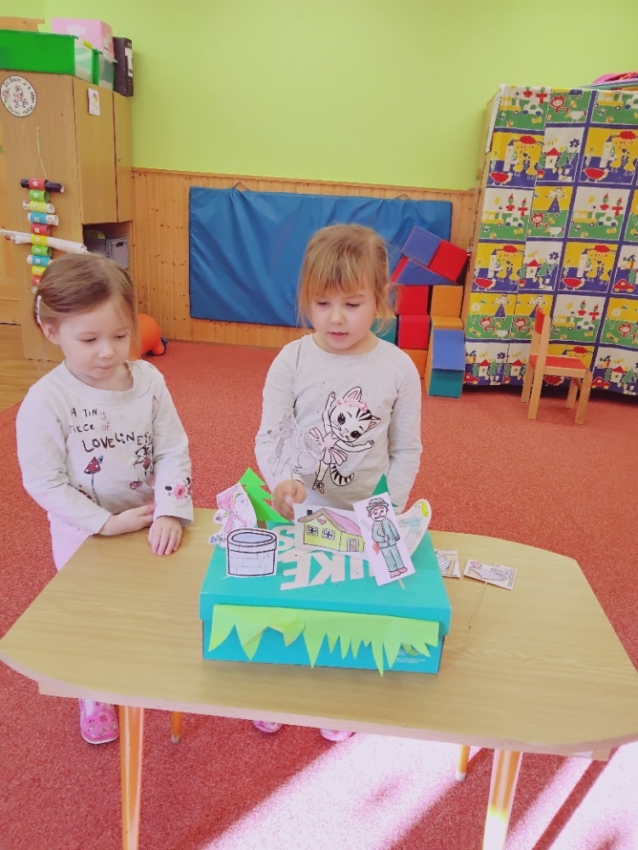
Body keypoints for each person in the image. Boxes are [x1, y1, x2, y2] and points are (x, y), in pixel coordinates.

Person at [16, 253, 194, 745]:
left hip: (148, 519)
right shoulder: (46, 401)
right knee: (92, 618)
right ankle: (92, 691)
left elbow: (173, 449)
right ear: (51, 330)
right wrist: (102, 523)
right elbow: (44, 482)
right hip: (84, 532)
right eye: (89, 340)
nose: (107, 352)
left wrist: (172, 510)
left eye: (119, 335)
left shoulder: (150, 381)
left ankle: (142, 663)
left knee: (146, 602)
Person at [254, 223, 423, 741]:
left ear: (380, 297)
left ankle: (336, 697)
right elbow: (270, 435)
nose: (335, 318)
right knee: (292, 600)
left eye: (352, 303)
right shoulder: (292, 359)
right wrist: (282, 481)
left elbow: (406, 449)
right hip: (299, 511)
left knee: (350, 606)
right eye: (322, 302)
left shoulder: (398, 368)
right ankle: (277, 688)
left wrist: (386, 508)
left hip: (364, 514)